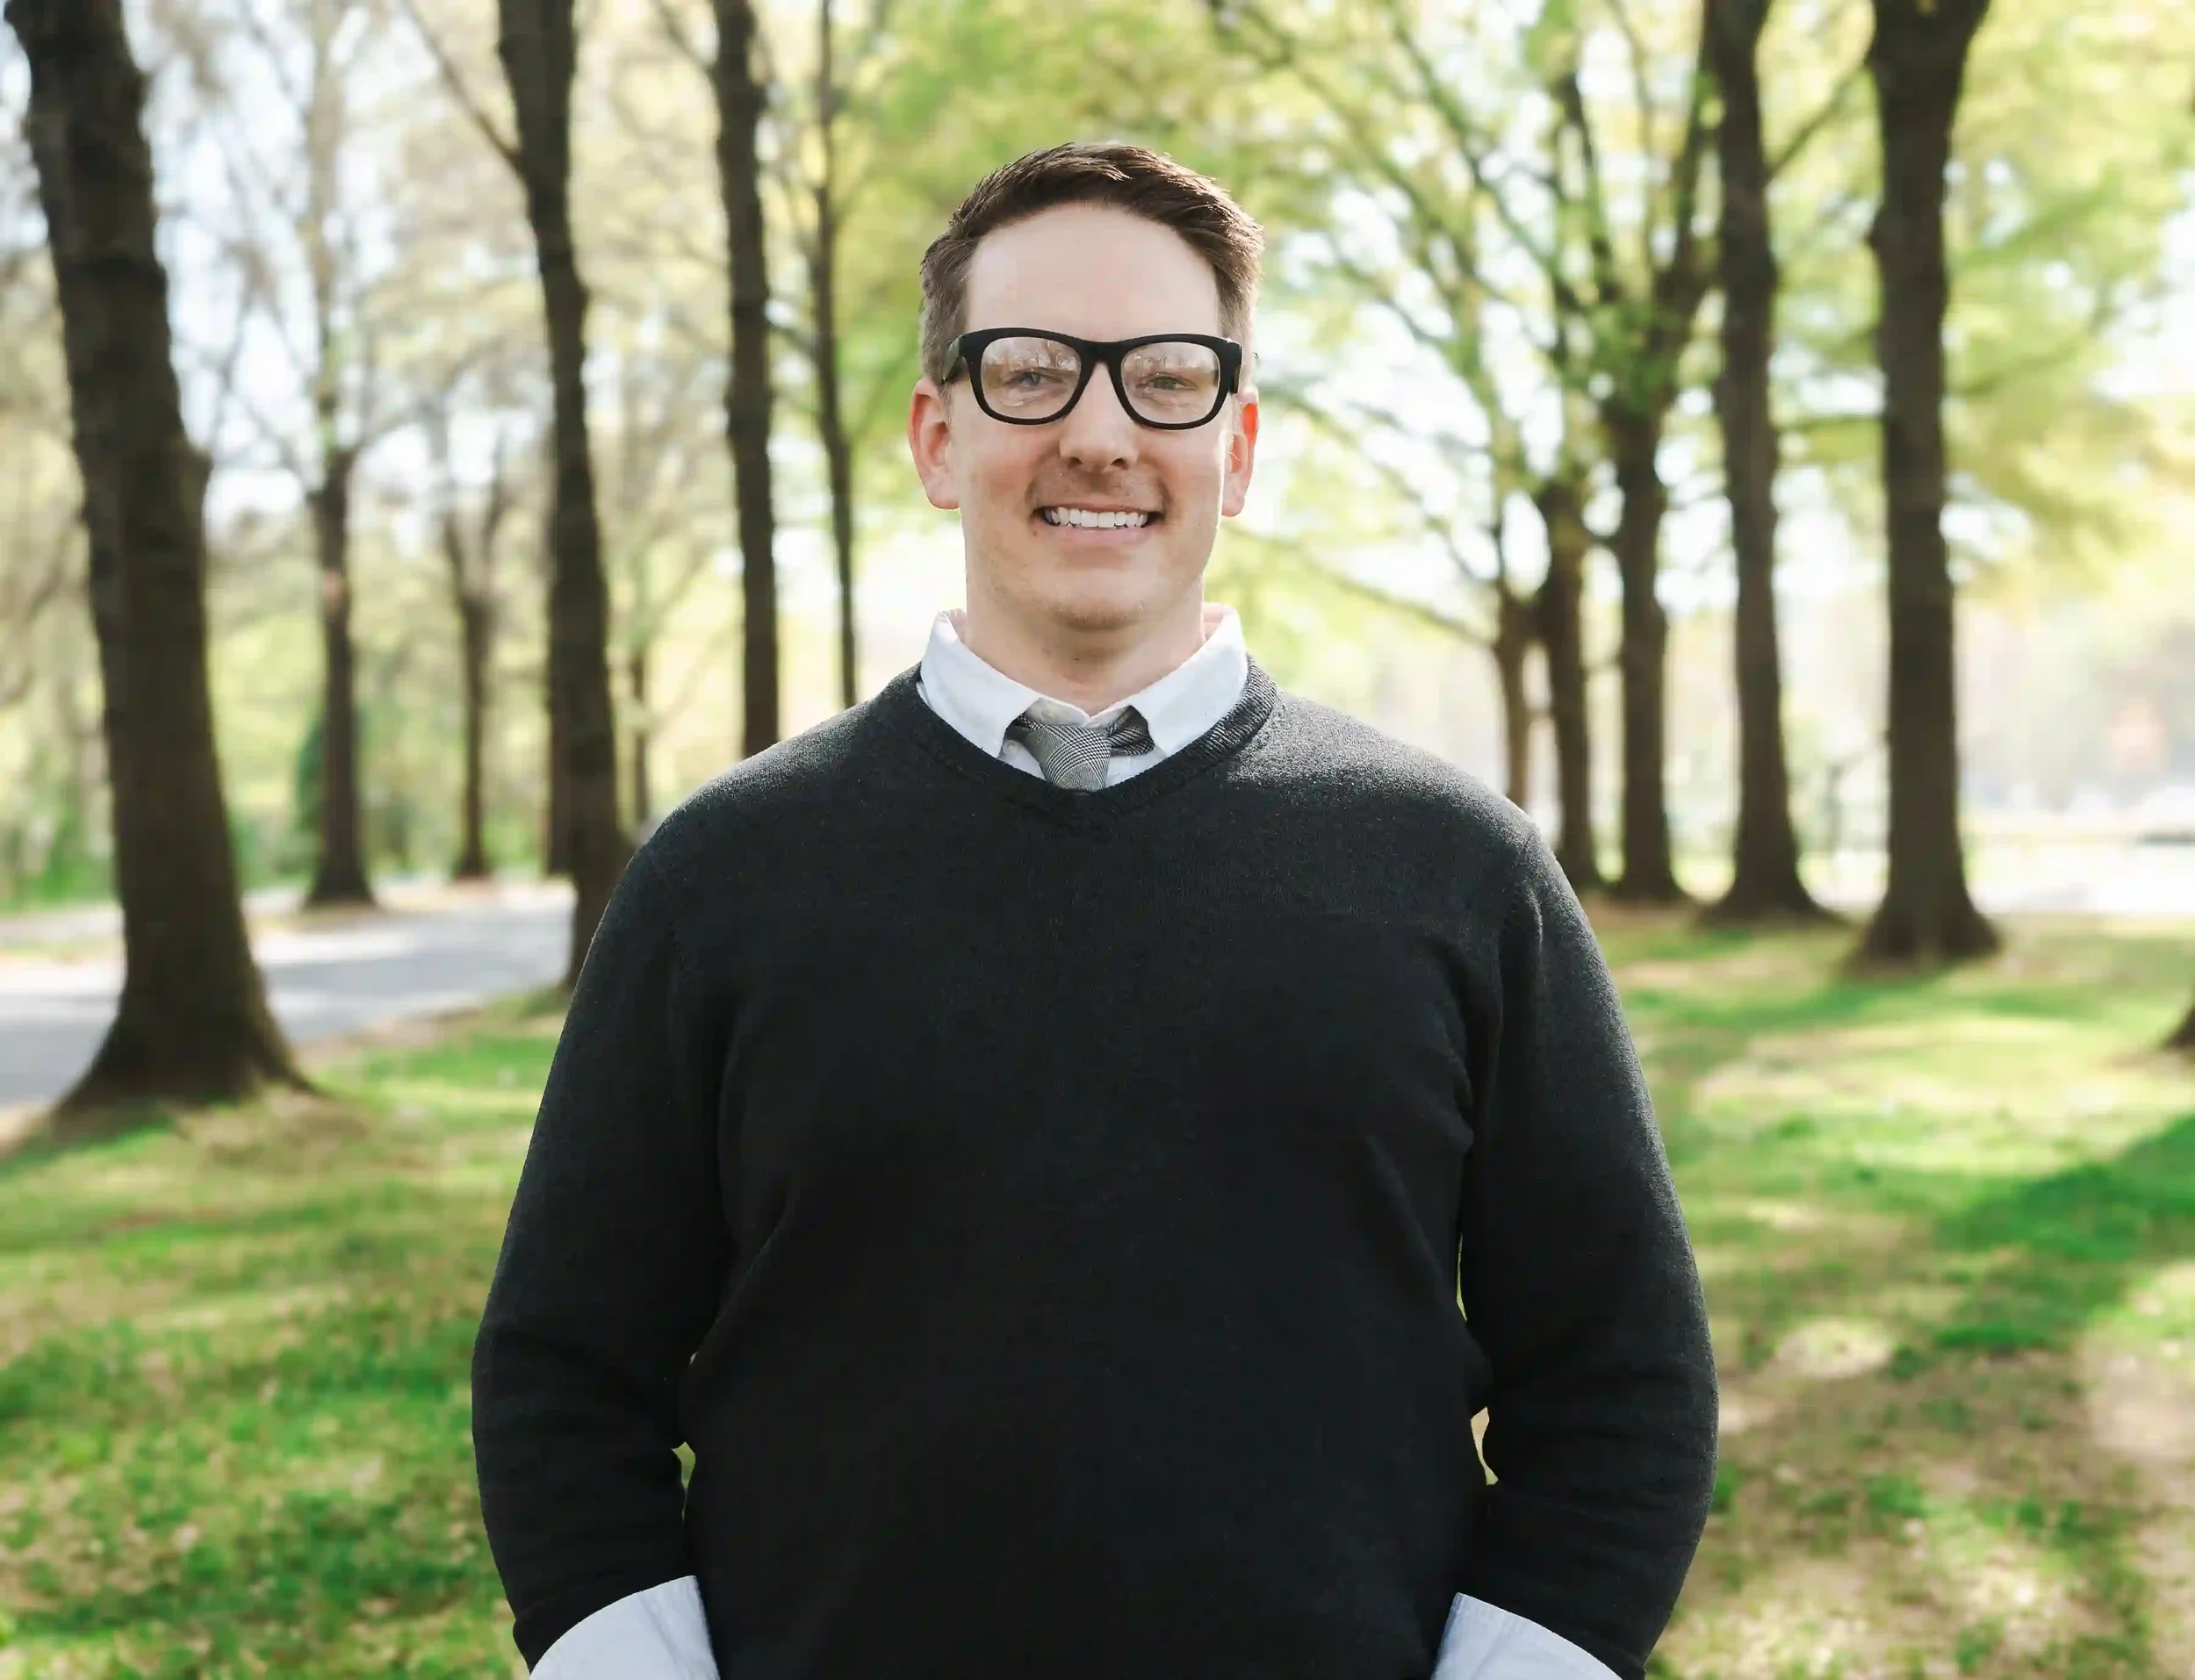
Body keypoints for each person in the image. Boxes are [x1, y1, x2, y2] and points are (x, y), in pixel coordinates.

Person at [471, 140, 1717, 1680]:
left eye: (1169, 377)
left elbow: (1623, 1376)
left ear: (1239, 446)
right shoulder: (723, 875)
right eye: (1033, 371)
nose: (1102, 431)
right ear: (938, 435)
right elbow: (560, 1376)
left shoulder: (1457, 870)